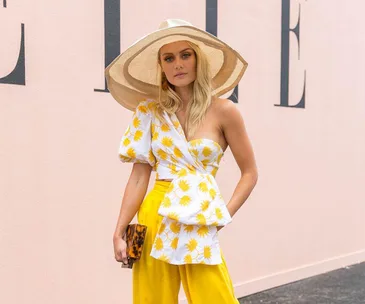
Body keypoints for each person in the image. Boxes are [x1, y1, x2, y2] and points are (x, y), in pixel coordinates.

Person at [106, 19, 258, 304]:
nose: (178, 64)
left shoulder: (225, 111)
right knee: (152, 298)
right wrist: (119, 231)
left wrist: (221, 217)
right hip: (155, 213)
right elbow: (139, 177)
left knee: (214, 297)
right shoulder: (149, 112)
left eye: (185, 55)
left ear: (199, 60)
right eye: (169, 58)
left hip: (198, 217)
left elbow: (249, 173)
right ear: (161, 66)